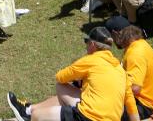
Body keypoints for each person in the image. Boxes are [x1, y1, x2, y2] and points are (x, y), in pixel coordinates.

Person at [7, 27, 139, 121]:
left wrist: (80, 77)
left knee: (38, 116)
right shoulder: (120, 70)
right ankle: (29, 109)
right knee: (65, 95)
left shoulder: (90, 60)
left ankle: (30, 112)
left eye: (87, 43)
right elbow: (131, 105)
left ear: (92, 44)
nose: (86, 46)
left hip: (88, 116)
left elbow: (60, 77)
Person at [106, 17, 153, 121]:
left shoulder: (135, 53)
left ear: (115, 33)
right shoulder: (138, 44)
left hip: (141, 104)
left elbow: (135, 88)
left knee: (98, 111)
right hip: (141, 101)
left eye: (111, 37)